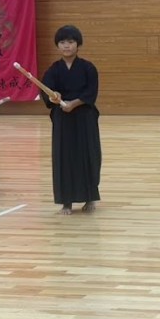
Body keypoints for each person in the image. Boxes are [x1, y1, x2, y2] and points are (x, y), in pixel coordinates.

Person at [40, 25, 101, 216]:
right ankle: (66, 202)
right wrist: (54, 97)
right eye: (62, 42)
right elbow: (46, 91)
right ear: (58, 45)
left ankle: (90, 197)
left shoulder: (88, 68)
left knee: (88, 155)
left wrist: (74, 103)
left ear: (78, 44)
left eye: (71, 42)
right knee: (63, 157)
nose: (66, 46)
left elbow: (91, 92)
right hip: (62, 118)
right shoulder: (53, 70)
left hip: (84, 117)